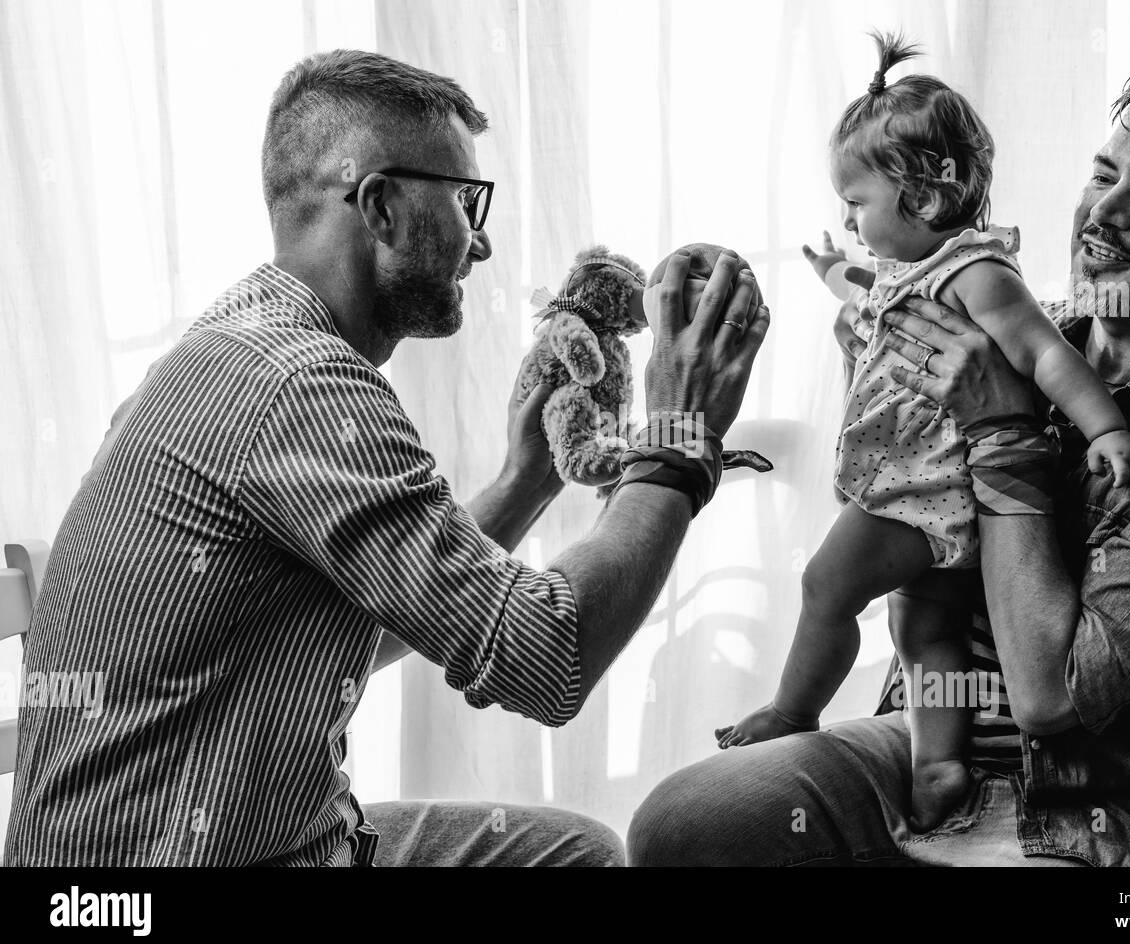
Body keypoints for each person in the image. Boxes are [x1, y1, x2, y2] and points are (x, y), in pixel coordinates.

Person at [3, 49, 769, 867]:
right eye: (468, 202)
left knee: (574, 850)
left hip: (228, 841)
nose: (480, 245)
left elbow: (341, 631)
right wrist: (681, 439)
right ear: (382, 208)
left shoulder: (233, 346)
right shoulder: (300, 386)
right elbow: (549, 658)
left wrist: (521, 484)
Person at [631, 38, 1130, 866]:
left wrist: (1002, 429)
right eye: (1102, 175)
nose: (1105, 214)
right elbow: (904, 469)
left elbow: (1049, 700)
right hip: (928, 737)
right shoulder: (1026, 324)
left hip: (1104, 815)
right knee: (689, 820)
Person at [716, 31, 1130, 832]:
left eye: (857, 204)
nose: (848, 220)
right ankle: (941, 762)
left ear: (923, 200)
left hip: (927, 496)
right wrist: (830, 274)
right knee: (925, 624)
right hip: (946, 506)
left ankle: (790, 710)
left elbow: (1045, 355)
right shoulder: (920, 266)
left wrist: (1105, 426)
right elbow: (872, 281)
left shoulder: (979, 275)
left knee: (822, 588)